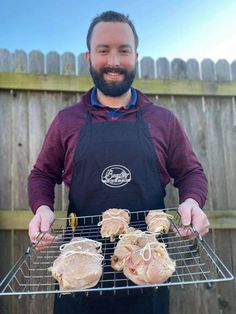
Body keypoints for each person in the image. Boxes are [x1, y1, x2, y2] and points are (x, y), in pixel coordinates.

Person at [28, 10, 209, 314]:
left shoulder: (163, 121)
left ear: (135, 55)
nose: (113, 61)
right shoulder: (66, 121)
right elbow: (42, 175)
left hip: (149, 270)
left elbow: (190, 172)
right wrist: (42, 208)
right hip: (77, 272)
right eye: (103, 50)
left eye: (123, 50)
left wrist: (193, 200)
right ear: (89, 56)